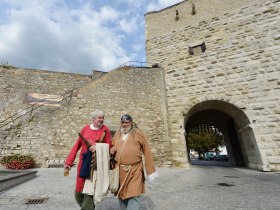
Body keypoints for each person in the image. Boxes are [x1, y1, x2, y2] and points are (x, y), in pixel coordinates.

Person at [64, 109, 112, 210]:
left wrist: (97, 146)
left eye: (103, 118)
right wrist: (69, 162)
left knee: (89, 193)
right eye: (100, 118)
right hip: (83, 164)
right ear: (93, 119)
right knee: (78, 193)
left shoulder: (105, 130)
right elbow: (77, 145)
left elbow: (109, 146)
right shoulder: (85, 129)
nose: (102, 120)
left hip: (94, 166)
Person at [110, 114, 158, 210]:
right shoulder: (117, 134)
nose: (124, 125)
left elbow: (147, 151)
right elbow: (112, 146)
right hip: (120, 170)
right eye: (122, 123)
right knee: (121, 195)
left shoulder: (138, 133)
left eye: (127, 122)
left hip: (134, 170)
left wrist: (150, 171)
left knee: (133, 195)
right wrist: (112, 150)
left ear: (131, 123)